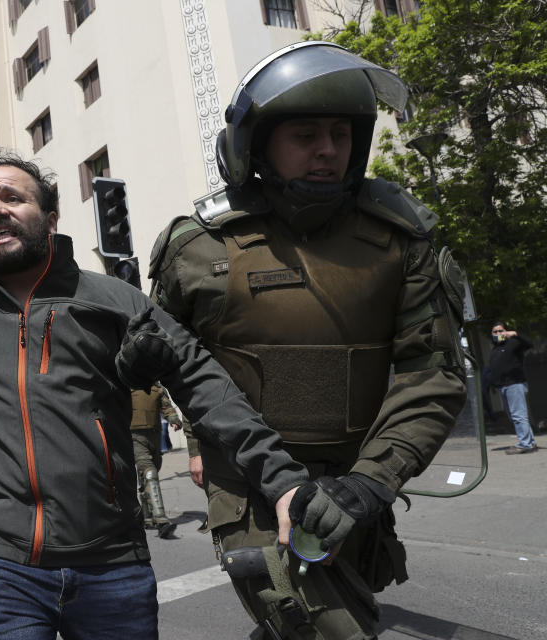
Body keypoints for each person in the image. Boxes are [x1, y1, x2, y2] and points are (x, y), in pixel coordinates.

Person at [0, 150, 309, 640]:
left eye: (12, 197)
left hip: (113, 563)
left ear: (50, 218)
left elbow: (204, 382)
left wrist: (281, 480)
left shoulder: (115, 299)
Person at [150, 42, 468, 639]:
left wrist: (372, 481)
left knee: (338, 610)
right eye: (304, 134)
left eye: (339, 135)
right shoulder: (198, 248)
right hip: (247, 481)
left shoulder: (401, 240)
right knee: (323, 626)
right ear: (257, 144)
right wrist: (196, 441)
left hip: (357, 481)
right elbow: (181, 364)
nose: (327, 150)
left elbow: (432, 375)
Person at [130, 385, 183, 539]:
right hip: (134, 436)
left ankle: (148, 518)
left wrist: (173, 419)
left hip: (154, 436)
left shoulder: (156, 386)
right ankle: (161, 521)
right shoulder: (125, 382)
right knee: (149, 472)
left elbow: (166, 405)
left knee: (149, 473)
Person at [489, 321, 537, 454]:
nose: (498, 334)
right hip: (503, 386)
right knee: (514, 416)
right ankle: (530, 442)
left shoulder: (513, 343)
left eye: (500, 331)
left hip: (514, 384)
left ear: (505, 331)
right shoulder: (495, 349)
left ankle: (525, 444)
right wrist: (494, 384)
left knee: (518, 415)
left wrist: (515, 334)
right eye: (495, 332)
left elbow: (529, 344)